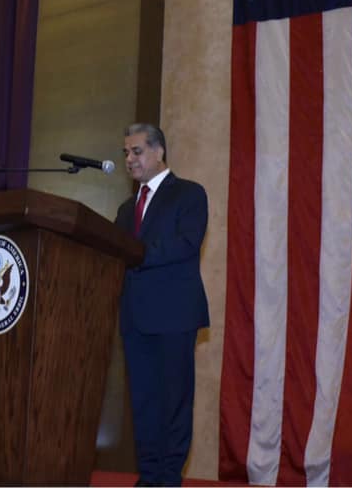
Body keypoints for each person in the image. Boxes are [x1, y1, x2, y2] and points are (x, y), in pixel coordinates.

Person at [114, 123, 209, 487]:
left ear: (158, 152)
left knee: (173, 403)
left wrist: (136, 254)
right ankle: (149, 475)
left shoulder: (188, 194)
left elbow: (187, 243)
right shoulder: (126, 209)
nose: (129, 159)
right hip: (135, 318)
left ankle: (168, 477)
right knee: (144, 404)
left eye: (136, 151)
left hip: (173, 315)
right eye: (125, 153)